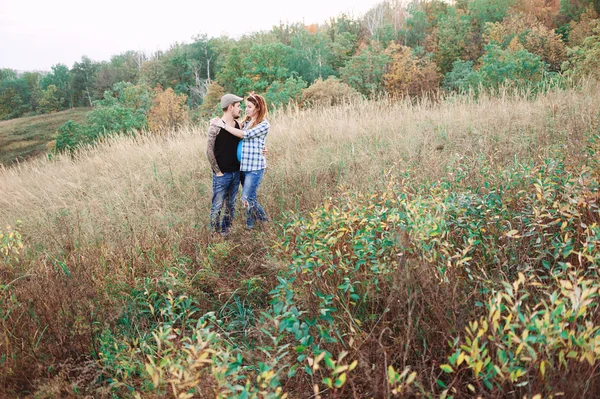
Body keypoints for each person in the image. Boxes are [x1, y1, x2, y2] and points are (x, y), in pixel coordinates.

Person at [211, 93, 269, 229]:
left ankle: (263, 221)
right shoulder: (246, 122)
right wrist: (217, 122)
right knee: (250, 198)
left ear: (258, 108)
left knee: (247, 198)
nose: (246, 109)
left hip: (254, 168)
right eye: (244, 106)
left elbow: (245, 135)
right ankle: (251, 225)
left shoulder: (264, 124)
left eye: (249, 107)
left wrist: (223, 125)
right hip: (243, 166)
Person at [206, 93, 243, 235]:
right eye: (238, 106)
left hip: (236, 173)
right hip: (222, 175)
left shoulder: (238, 125)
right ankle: (214, 235)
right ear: (230, 107)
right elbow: (209, 151)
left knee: (231, 205)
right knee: (217, 205)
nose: (240, 109)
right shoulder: (215, 127)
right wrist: (218, 171)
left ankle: (225, 232)